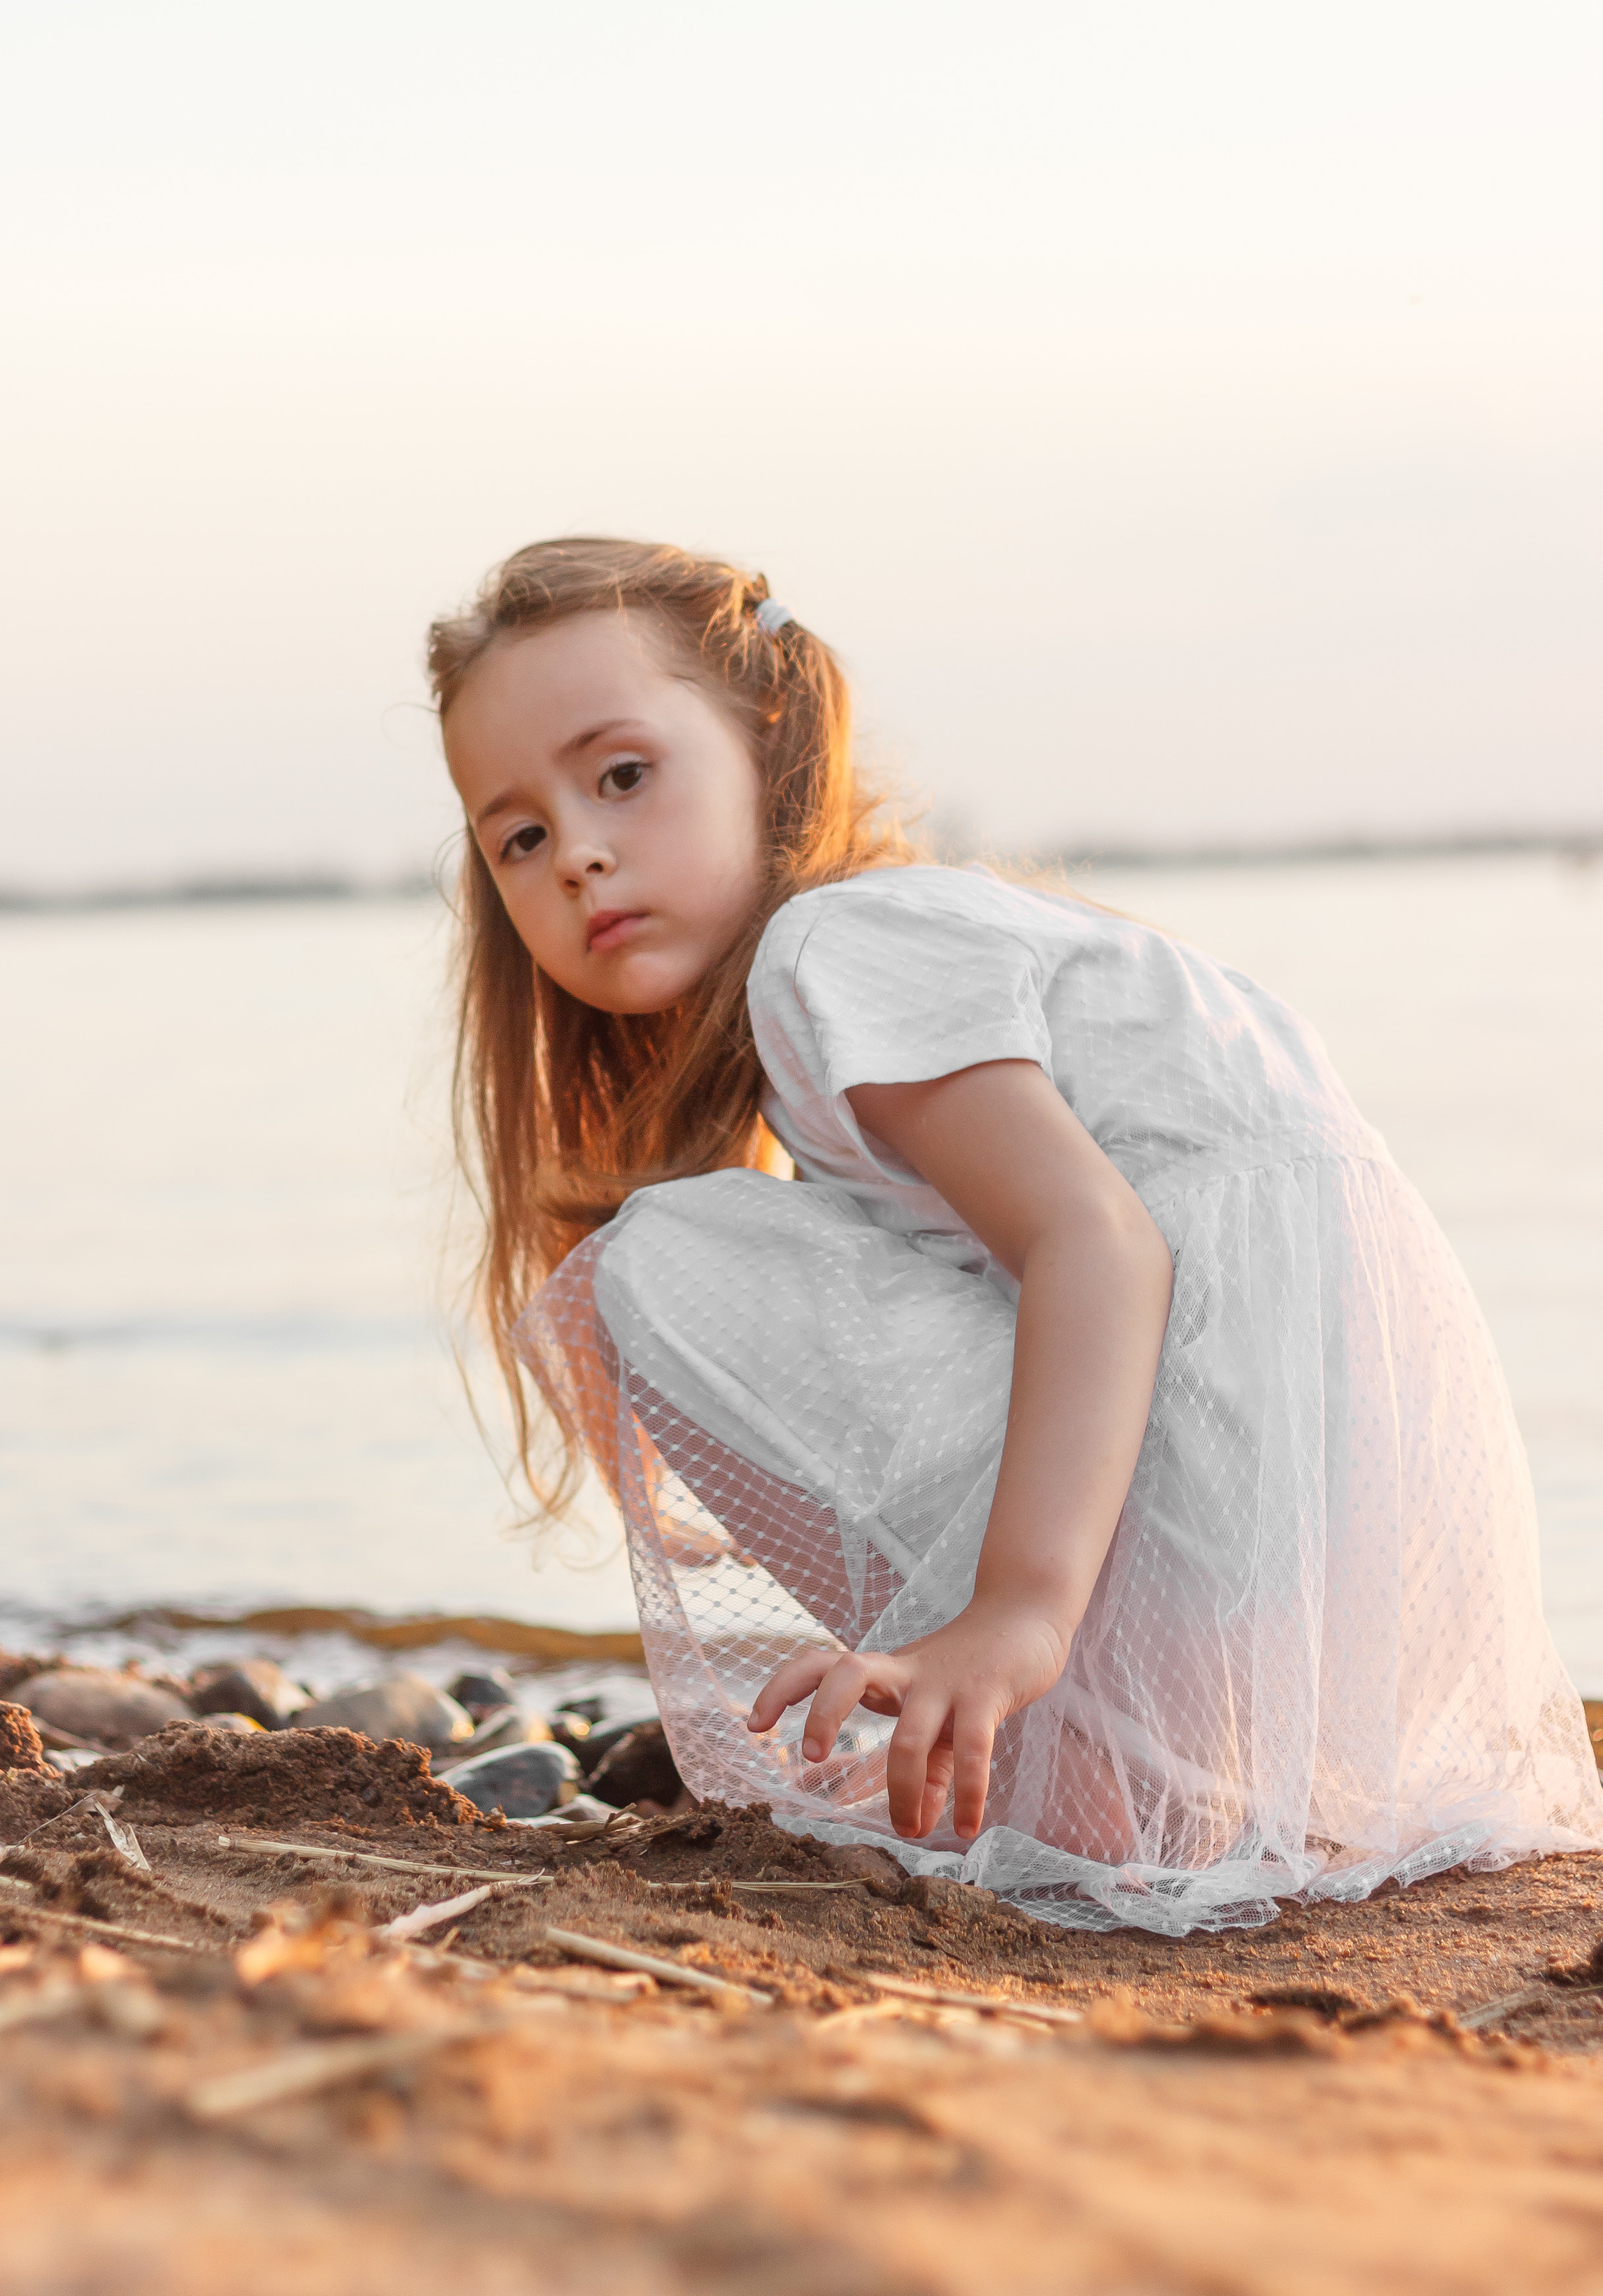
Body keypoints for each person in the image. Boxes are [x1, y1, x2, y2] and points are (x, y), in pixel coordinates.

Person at [428, 535, 1602, 1932]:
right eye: (519, 834)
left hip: (1242, 1482)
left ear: (770, 738)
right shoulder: (916, 936)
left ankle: (1078, 1741)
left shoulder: (833, 951)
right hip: (1343, 1532)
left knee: (654, 1267)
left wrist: (1016, 1616)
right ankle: (1123, 1750)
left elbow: (1098, 1245)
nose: (580, 853)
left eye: (621, 774)